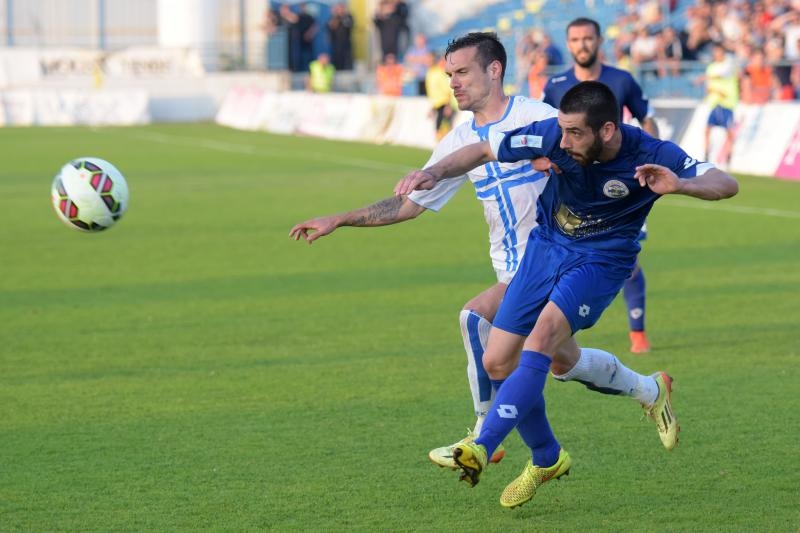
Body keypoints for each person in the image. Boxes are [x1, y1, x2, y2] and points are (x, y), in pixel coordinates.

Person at [394, 80, 739, 508]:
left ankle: (482, 446)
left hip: (601, 260)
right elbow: (484, 149)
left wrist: (681, 185)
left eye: (576, 133)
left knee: (542, 340)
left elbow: (726, 182)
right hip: (547, 247)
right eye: (563, 130)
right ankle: (548, 457)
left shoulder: (651, 153)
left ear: (608, 131)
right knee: (497, 359)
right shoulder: (552, 134)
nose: (566, 140)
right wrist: (433, 172)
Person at [544, 17, 658, 354]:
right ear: (568, 44)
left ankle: (637, 332)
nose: (582, 45)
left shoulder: (620, 79)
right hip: (572, 190)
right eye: (576, 39)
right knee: (561, 256)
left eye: (588, 38)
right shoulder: (555, 85)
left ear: (599, 41)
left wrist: (653, 151)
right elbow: (549, 131)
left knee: (627, 259)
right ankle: (557, 330)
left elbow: (644, 117)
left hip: (619, 189)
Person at [699, 42, 739, 166]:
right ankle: (706, 155)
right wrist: (709, 88)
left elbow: (722, 75)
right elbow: (709, 85)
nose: (716, 54)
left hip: (727, 102)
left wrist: (706, 78)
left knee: (729, 131)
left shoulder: (729, 64)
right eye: (715, 52)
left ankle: (729, 156)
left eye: (718, 51)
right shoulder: (711, 66)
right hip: (715, 102)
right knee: (707, 129)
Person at [424, 51, 455, 140]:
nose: (427, 61)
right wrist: (432, 107)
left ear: (433, 59)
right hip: (438, 105)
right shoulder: (429, 72)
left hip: (444, 105)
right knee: (438, 132)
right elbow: (434, 93)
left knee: (444, 133)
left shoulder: (439, 72)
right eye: (426, 59)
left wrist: (448, 106)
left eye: (429, 59)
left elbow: (448, 89)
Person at [327, 3, 353, 71]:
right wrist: (335, 16)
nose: (340, 10)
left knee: (347, 59)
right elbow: (330, 26)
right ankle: (337, 69)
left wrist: (342, 16)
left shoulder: (348, 17)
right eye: (339, 9)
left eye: (342, 8)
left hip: (346, 42)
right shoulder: (333, 17)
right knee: (337, 58)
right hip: (336, 43)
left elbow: (349, 24)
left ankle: (347, 71)